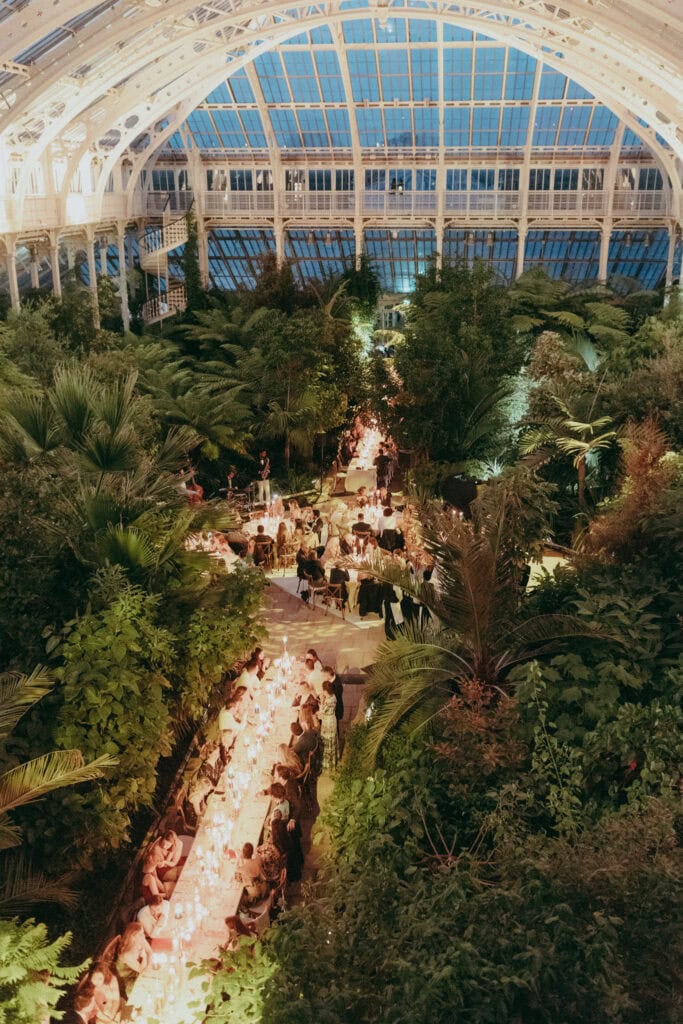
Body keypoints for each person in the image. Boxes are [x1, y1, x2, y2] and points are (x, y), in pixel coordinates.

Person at [270, 808, 303, 883]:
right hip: (291, 847)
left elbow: (275, 841)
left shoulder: (275, 828)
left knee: (290, 865)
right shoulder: (285, 823)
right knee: (295, 861)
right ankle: (297, 875)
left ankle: (292, 878)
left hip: (285, 851)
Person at [114, 923, 150, 991]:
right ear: (133, 937)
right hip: (130, 979)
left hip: (140, 971)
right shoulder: (127, 955)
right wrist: (144, 957)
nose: (144, 936)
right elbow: (142, 972)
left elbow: (150, 951)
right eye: (140, 934)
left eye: (143, 932)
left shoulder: (140, 940)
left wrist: (149, 965)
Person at [319, 679, 339, 771]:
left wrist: (321, 701)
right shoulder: (333, 695)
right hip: (331, 719)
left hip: (328, 722)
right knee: (331, 739)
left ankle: (328, 762)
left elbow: (321, 713)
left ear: (325, 691)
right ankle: (334, 759)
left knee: (328, 741)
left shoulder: (328, 701)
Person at [322, 665, 344, 732]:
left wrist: (324, 698)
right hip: (333, 707)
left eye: (324, 676)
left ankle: (336, 738)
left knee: (335, 726)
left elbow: (334, 698)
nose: (323, 677)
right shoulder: (333, 677)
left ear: (328, 675)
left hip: (336, 709)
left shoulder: (337, 685)